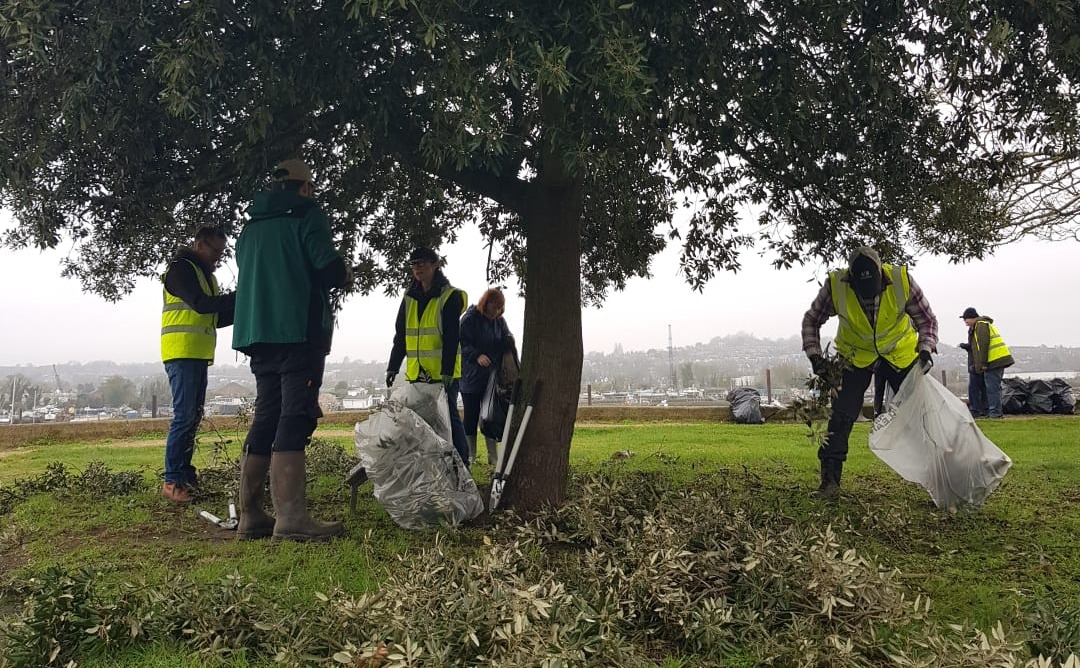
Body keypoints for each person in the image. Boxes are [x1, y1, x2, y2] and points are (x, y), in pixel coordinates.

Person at [231, 159, 349, 541]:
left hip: (257, 333)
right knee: (295, 416)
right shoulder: (306, 214)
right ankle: (291, 518)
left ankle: (250, 515)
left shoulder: (250, 228)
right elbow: (328, 269)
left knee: (266, 415)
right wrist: (342, 270)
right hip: (298, 330)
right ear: (305, 187)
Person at [801, 246, 939, 501]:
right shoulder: (836, 285)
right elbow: (812, 320)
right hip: (854, 358)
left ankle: (943, 480)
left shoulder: (901, 281)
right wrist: (816, 357)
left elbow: (926, 320)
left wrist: (925, 348)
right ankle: (830, 484)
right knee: (841, 417)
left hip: (899, 354)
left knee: (923, 416)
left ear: (881, 275)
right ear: (851, 278)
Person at [160, 226, 236, 504]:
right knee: (184, 417)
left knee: (193, 417)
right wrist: (243, 296)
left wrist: (243, 308)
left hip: (196, 354)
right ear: (199, 244)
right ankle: (173, 481)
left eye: (222, 252)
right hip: (182, 352)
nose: (218, 257)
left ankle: (184, 474)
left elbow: (214, 317)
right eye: (215, 250)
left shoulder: (206, 276)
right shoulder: (181, 269)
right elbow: (201, 304)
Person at [386, 247, 470, 465]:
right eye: (413, 264)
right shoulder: (409, 298)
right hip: (418, 373)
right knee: (420, 422)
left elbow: (452, 337)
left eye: (422, 263)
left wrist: (447, 370)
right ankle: (431, 464)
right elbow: (401, 335)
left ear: (435, 265)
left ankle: (462, 463)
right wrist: (393, 366)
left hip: (442, 374)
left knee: (449, 418)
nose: (417, 268)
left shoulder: (449, 297)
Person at [459, 288, 515, 466]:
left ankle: (493, 456)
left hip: (492, 377)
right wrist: (476, 355)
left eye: (500, 308)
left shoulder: (499, 321)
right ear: (486, 303)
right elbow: (462, 344)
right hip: (471, 376)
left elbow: (506, 339)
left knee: (490, 415)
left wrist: (509, 344)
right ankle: (471, 456)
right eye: (494, 306)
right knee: (471, 416)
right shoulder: (469, 319)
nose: (496, 311)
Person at [959, 307, 1014, 419]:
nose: (965, 322)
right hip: (997, 359)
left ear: (972, 318)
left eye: (966, 319)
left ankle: (995, 413)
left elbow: (982, 346)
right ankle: (994, 412)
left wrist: (983, 364)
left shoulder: (980, 325)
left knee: (992, 388)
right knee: (994, 387)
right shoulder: (982, 325)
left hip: (994, 360)